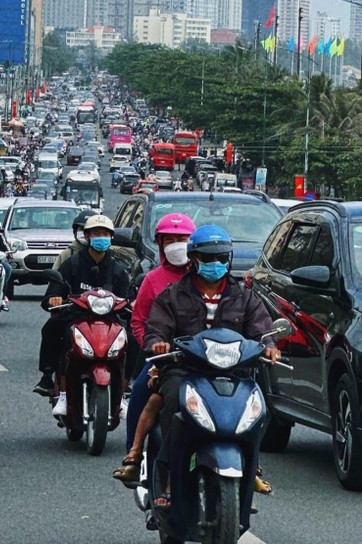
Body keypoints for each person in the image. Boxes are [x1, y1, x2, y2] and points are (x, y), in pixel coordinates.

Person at [142, 225, 280, 507]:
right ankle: (169, 477)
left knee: (260, 407)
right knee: (172, 403)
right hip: (185, 370)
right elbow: (155, 330)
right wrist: (158, 342)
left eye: (220, 258)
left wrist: (269, 346)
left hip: (235, 372)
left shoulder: (245, 296)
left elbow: (262, 331)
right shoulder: (172, 295)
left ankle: (251, 468)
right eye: (208, 258)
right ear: (194, 260)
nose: (214, 264)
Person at [112, 213, 195, 484]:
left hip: (205, 357)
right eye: (169, 241)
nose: (175, 245)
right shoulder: (153, 280)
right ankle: (133, 456)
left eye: (181, 239)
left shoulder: (205, 279)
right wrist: (152, 348)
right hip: (165, 358)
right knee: (139, 392)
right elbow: (139, 321)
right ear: (159, 245)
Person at [34, 214, 130, 416]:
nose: (101, 238)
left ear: (111, 237)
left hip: (109, 321)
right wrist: (55, 299)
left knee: (133, 338)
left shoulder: (118, 270)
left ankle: (123, 391)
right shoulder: (72, 264)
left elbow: (128, 298)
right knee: (53, 328)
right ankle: (55, 386)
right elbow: (53, 292)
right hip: (75, 318)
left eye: (105, 234)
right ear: (87, 236)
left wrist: (133, 304)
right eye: (96, 234)